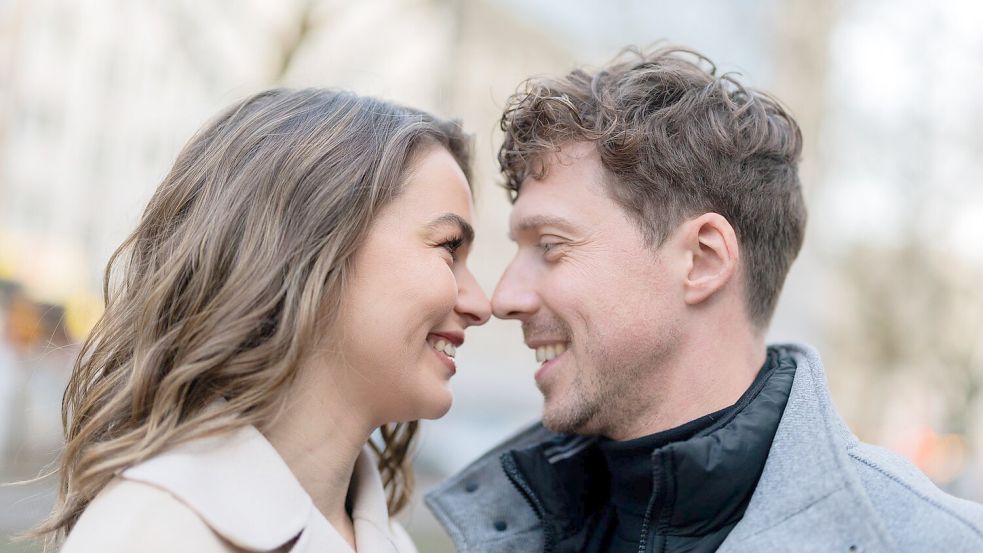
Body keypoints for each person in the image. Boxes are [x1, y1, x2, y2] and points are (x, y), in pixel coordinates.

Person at [425, 46, 983, 552]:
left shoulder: (933, 543)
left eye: (550, 246)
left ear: (703, 260)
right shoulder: (498, 526)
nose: (503, 298)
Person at [34, 88, 491, 552]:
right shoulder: (150, 533)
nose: (481, 303)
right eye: (450, 247)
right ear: (313, 245)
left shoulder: (392, 542)